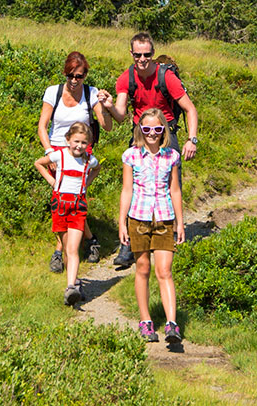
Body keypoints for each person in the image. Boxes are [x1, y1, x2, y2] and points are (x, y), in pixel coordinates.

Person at [37, 51, 112, 272]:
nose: (73, 80)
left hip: (80, 152)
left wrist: (105, 107)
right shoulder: (54, 92)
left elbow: (106, 126)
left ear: (85, 75)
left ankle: (61, 252)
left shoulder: (91, 94)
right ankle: (89, 241)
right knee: (62, 201)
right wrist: (50, 152)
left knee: (72, 200)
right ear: (65, 73)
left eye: (78, 76)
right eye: (70, 75)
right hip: (58, 151)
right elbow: (43, 126)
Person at [117, 108, 185, 344]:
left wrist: (180, 222)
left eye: (157, 129)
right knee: (143, 268)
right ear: (140, 130)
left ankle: (171, 323)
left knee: (164, 271)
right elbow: (127, 190)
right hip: (138, 216)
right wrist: (122, 222)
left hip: (164, 217)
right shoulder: (131, 156)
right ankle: (146, 321)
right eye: (147, 129)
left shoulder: (171, 156)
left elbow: (175, 190)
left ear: (163, 130)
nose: (152, 133)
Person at [34, 122, 98, 306]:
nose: (79, 146)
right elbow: (38, 163)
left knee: (72, 248)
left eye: (84, 143)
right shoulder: (59, 155)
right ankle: (76, 282)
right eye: (76, 141)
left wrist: (86, 183)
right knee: (66, 246)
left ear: (88, 144)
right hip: (60, 204)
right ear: (68, 140)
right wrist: (52, 181)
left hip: (78, 206)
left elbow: (97, 168)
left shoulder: (88, 159)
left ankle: (70, 287)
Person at [108, 33, 199, 159]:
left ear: (153, 53)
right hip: (141, 134)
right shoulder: (126, 78)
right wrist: (109, 106)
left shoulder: (167, 77)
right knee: (137, 177)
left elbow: (190, 109)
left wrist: (192, 140)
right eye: (137, 55)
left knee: (171, 177)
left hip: (166, 133)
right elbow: (119, 115)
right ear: (131, 53)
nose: (142, 59)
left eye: (147, 54)